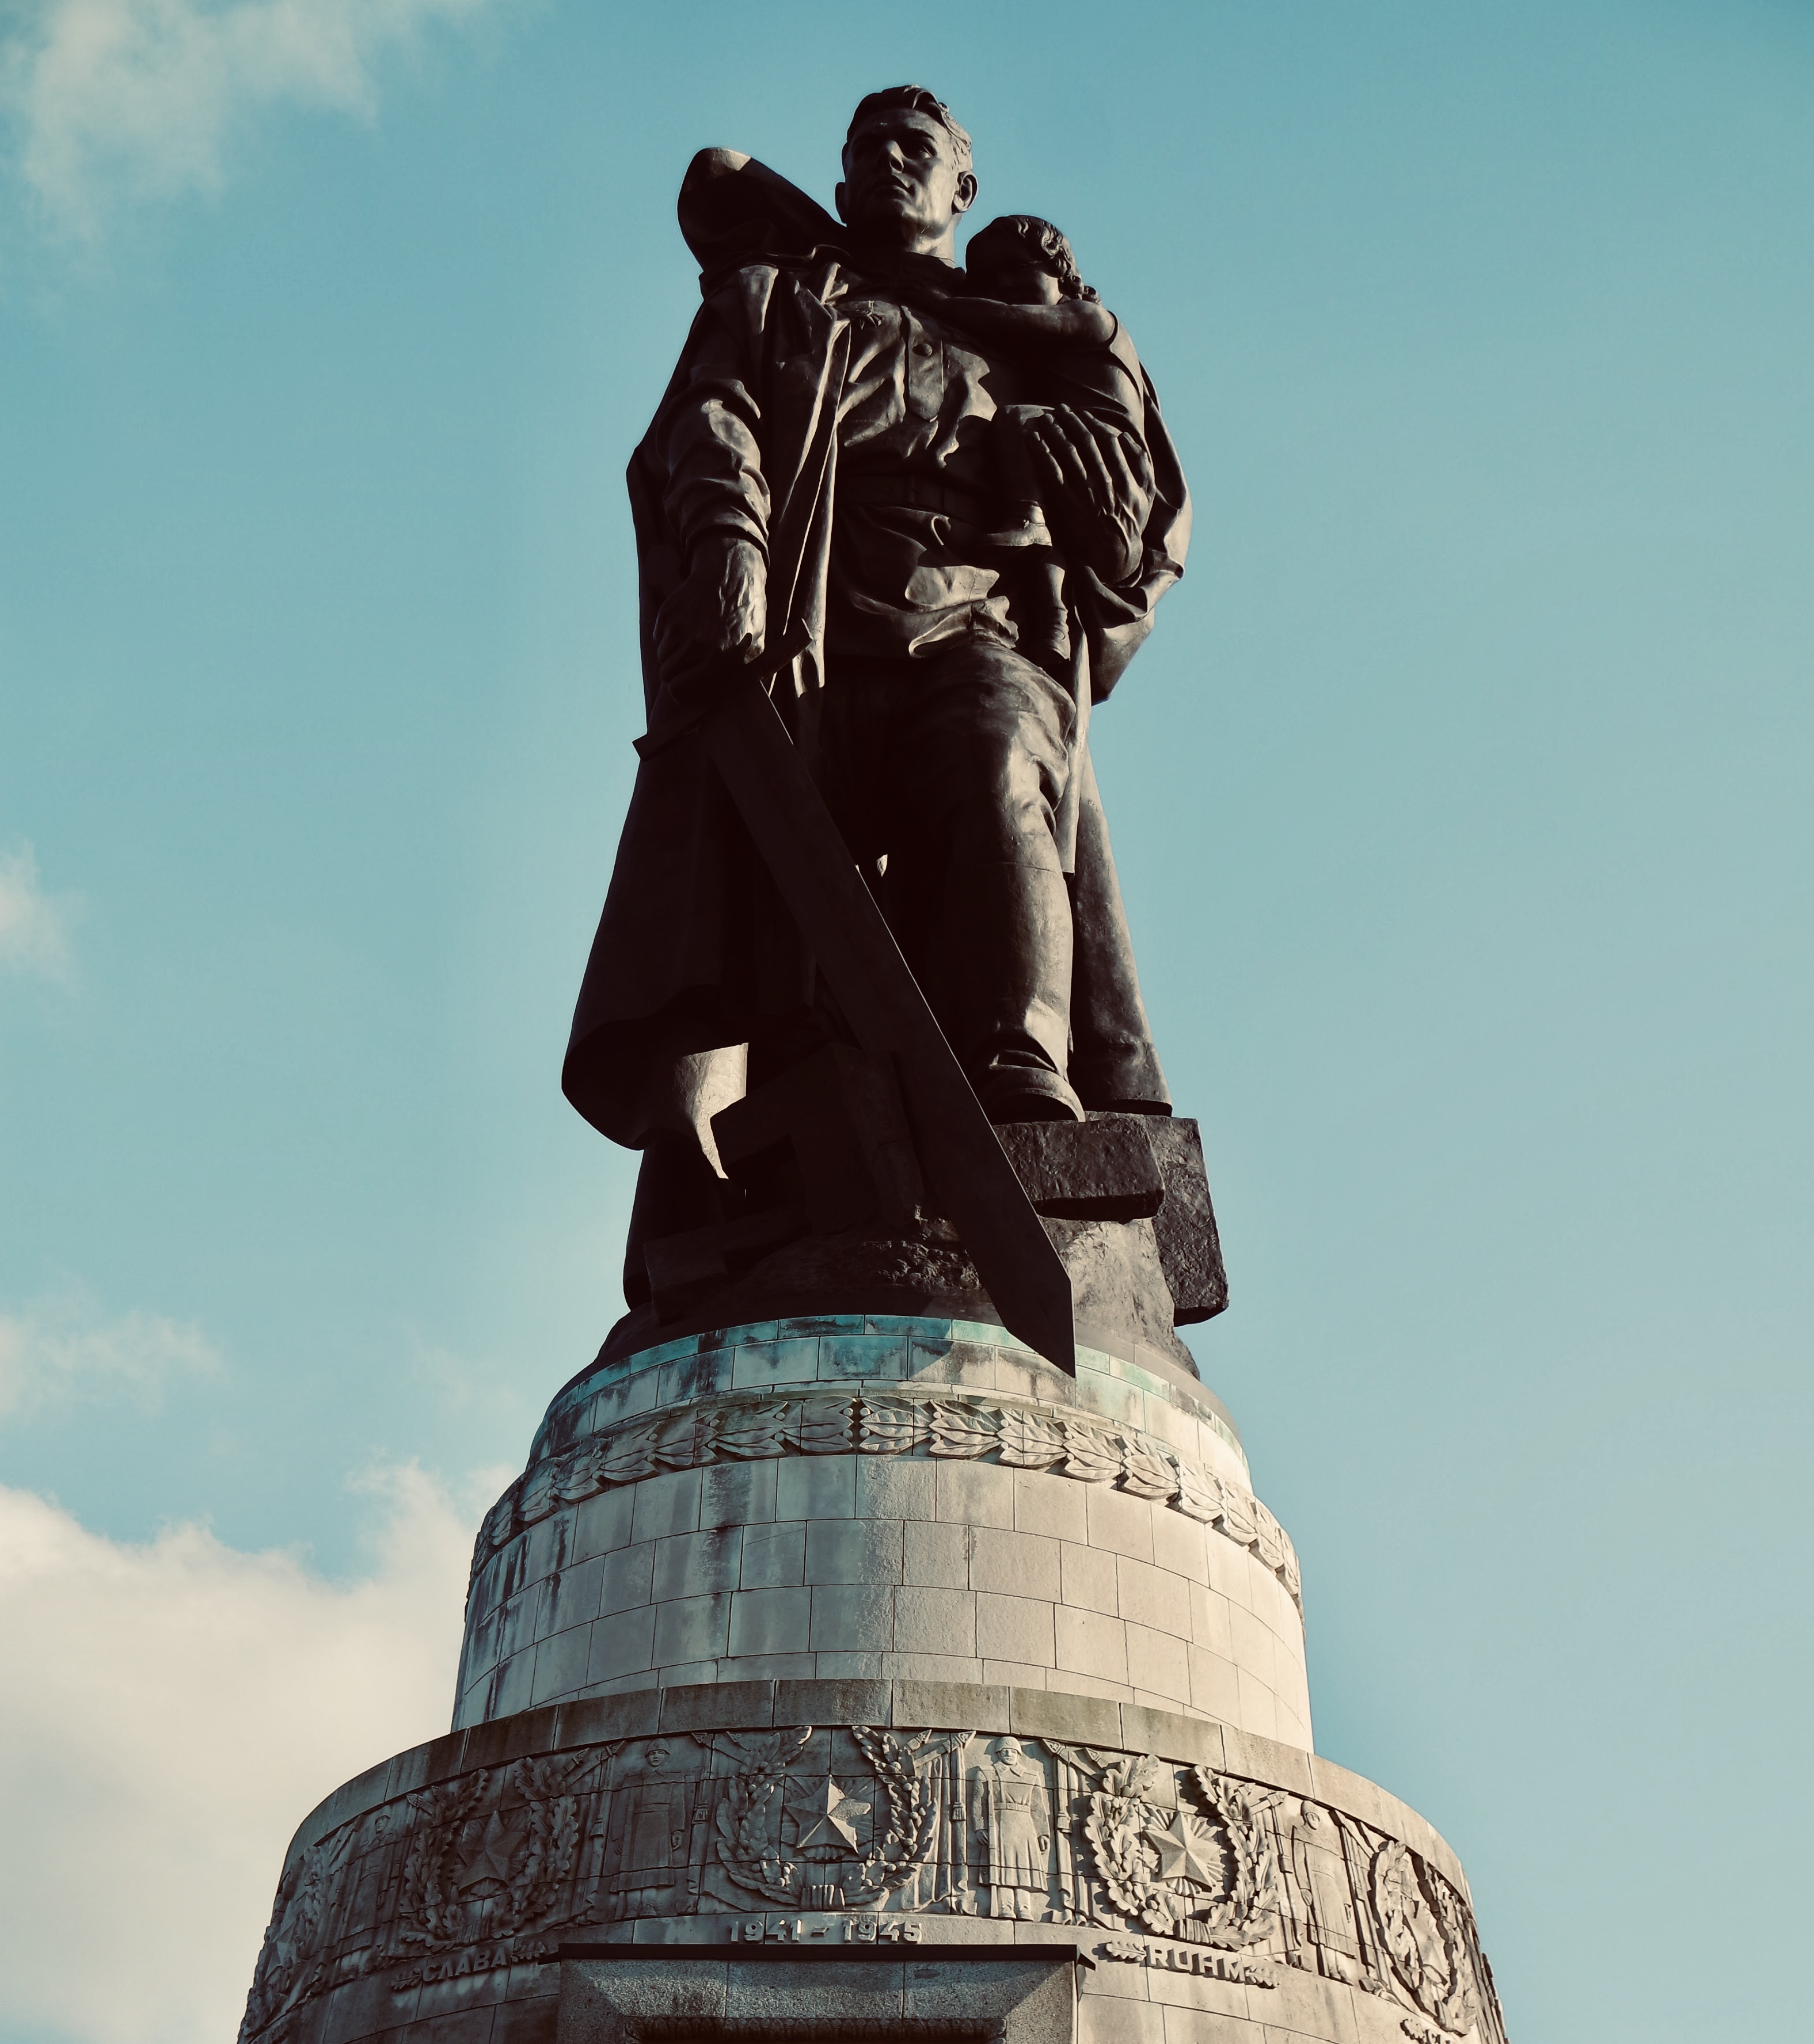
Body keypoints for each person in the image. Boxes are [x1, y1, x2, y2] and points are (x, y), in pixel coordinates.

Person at [564, 89, 1192, 1302]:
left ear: (963, 188)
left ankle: (1020, 1077)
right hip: (809, 616)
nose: (890, 166)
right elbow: (712, 423)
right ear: (843, 185)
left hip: (978, 613)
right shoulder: (779, 299)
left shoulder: (1027, 336)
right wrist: (734, 549)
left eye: (920, 152)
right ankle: (807, 1127)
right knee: (794, 882)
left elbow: (1136, 526)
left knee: (1001, 767)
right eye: (867, 153)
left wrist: (1086, 465)